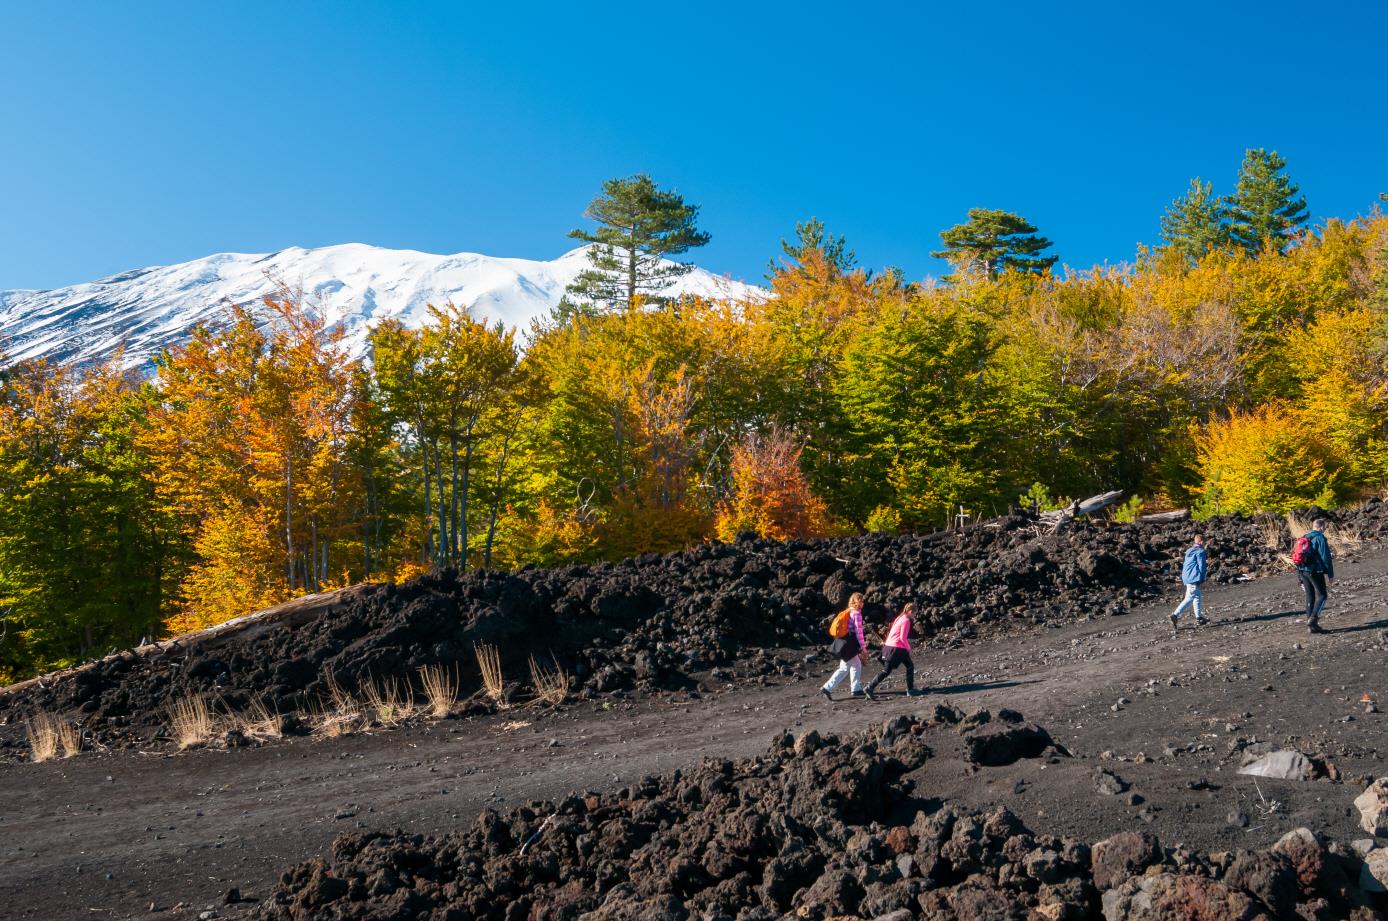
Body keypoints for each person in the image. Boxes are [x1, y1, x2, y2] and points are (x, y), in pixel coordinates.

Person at [863, 602, 924, 700]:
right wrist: (909, 649)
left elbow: (892, 632)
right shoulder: (906, 620)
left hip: (890, 647)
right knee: (895, 669)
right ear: (910, 612)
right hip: (897, 649)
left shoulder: (899, 618)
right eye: (914, 613)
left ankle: (870, 687)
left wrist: (886, 644)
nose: (915, 616)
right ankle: (910, 690)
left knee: (904, 667)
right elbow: (902, 638)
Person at [821, 592, 867, 701]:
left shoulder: (849, 611)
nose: (863, 603)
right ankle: (827, 687)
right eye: (861, 601)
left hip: (843, 642)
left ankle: (856, 689)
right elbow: (859, 633)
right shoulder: (857, 614)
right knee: (845, 667)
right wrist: (863, 647)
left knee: (856, 664)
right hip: (849, 644)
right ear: (857, 602)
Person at [1295, 517, 1335, 634]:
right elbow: (1325, 557)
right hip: (1315, 571)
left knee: (1310, 596)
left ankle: (1311, 626)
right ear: (1321, 527)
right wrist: (1330, 574)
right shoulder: (1320, 538)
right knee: (1322, 595)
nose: (1325, 529)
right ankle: (1313, 619)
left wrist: (1299, 575)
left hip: (1302, 570)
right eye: (1325, 527)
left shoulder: (1304, 537)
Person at [1169, 534, 1209, 630]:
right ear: (1201, 542)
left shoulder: (1189, 551)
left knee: (1197, 596)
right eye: (1204, 542)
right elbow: (1201, 566)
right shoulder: (1200, 551)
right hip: (1193, 577)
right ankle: (1175, 615)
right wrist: (1202, 578)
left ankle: (1199, 618)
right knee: (1190, 597)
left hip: (1186, 577)